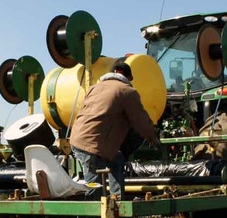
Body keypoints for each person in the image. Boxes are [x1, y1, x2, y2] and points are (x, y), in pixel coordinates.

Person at [69, 60, 160, 199]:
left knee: (117, 159)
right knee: (96, 190)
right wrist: (153, 139)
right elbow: (140, 121)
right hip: (92, 146)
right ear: (126, 76)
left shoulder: (95, 88)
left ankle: (117, 201)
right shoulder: (127, 91)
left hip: (77, 140)